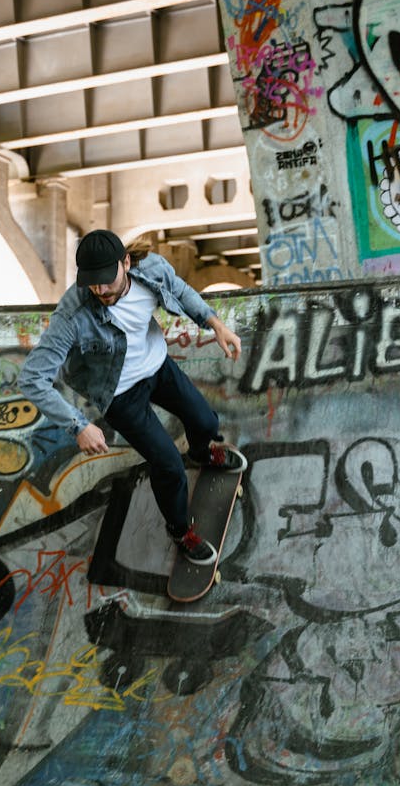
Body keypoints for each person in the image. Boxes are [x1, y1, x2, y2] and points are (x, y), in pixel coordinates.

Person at [18, 229, 247, 565]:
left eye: (107, 280)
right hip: (119, 394)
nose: (100, 290)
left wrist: (215, 324)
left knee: (206, 421)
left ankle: (201, 453)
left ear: (126, 263)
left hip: (157, 367)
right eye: (92, 283)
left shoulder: (151, 269)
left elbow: (179, 290)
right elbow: (32, 377)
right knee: (168, 464)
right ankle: (180, 530)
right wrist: (77, 425)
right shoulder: (73, 313)